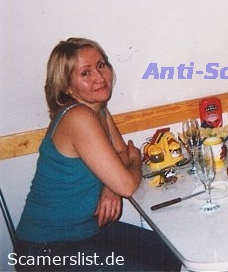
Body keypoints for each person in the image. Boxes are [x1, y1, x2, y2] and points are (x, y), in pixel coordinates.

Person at [15, 38, 181, 271]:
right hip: (47, 250)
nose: (100, 77)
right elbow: (127, 182)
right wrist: (132, 163)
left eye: (101, 65)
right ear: (66, 86)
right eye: (86, 73)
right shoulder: (78, 117)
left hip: (86, 233)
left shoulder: (98, 109)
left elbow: (120, 152)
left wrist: (109, 186)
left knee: (170, 252)